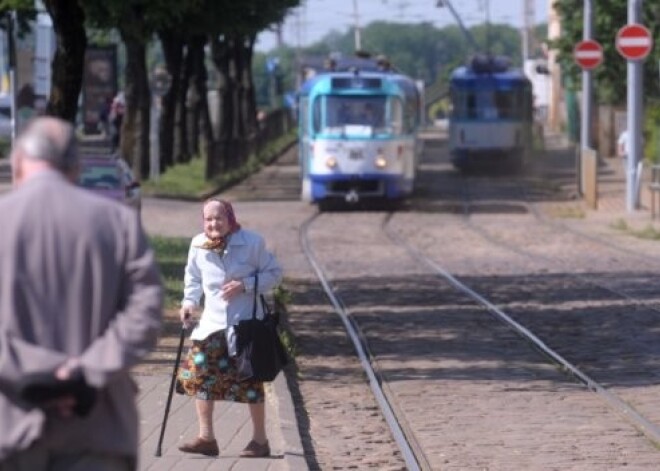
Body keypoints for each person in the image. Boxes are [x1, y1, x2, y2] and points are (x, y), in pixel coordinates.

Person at [0, 117, 164, 470]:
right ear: (75, 168)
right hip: (98, 427)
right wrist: (84, 372)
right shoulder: (118, 223)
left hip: (10, 425)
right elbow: (146, 314)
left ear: (17, 164)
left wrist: (39, 373)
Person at [176, 198, 283, 458]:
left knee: (250, 381)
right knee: (200, 376)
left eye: (219, 218)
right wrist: (189, 303)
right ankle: (206, 438)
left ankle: (260, 441)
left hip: (245, 324)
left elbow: (275, 274)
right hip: (211, 325)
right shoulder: (198, 244)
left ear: (230, 219)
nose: (214, 223)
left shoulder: (252, 242)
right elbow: (193, 278)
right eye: (209, 219)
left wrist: (244, 284)